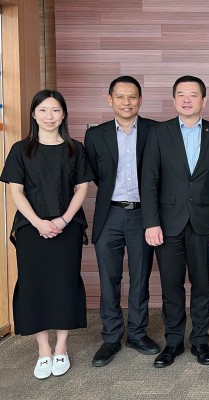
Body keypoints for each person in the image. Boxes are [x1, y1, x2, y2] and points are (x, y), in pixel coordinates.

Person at [0, 90, 93, 379]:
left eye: (55, 111)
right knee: (33, 284)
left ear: (64, 114)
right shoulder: (20, 149)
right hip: (31, 228)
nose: (49, 116)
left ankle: (62, 347)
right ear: (33, 114)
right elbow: (15, 190)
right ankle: (43, 350)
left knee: (64, 284)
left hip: (68, 228)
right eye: (43, 110)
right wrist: (39, 222)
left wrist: (64, 220)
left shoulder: (75, 148)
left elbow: (82, 188)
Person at [141, 75, 209, 368]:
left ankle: (201, 341)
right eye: (181, 94)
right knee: (171, 285)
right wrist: (151, 222)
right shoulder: (159, 132)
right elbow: (149, 180)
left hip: (204, 222)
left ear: (204, 100)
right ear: (174, 99)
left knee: (202, 285)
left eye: (193, 94)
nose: (187, 99)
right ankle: (173, 341)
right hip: (167, 224)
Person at [84, 76, 160, 367]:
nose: (126, 103)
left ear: (140, 100)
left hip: (145, 214)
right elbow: (90, 174)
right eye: (120, 97)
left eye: (132, 97)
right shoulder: (95, 135)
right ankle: (111, 337)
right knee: (109, 277)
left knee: (140, 277)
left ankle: (138, 333)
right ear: (109, 99)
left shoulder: (156, 130)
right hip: (110, 214)